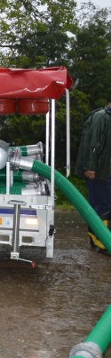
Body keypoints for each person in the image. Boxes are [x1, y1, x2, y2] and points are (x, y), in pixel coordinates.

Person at [74, 97, 111, 254]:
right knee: (100, 207)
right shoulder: (100, 117)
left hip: (106, 172)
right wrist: (90, 167)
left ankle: (104, 239)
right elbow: (93, 144)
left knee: (106, 206)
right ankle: (99, 242)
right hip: (97, 172)